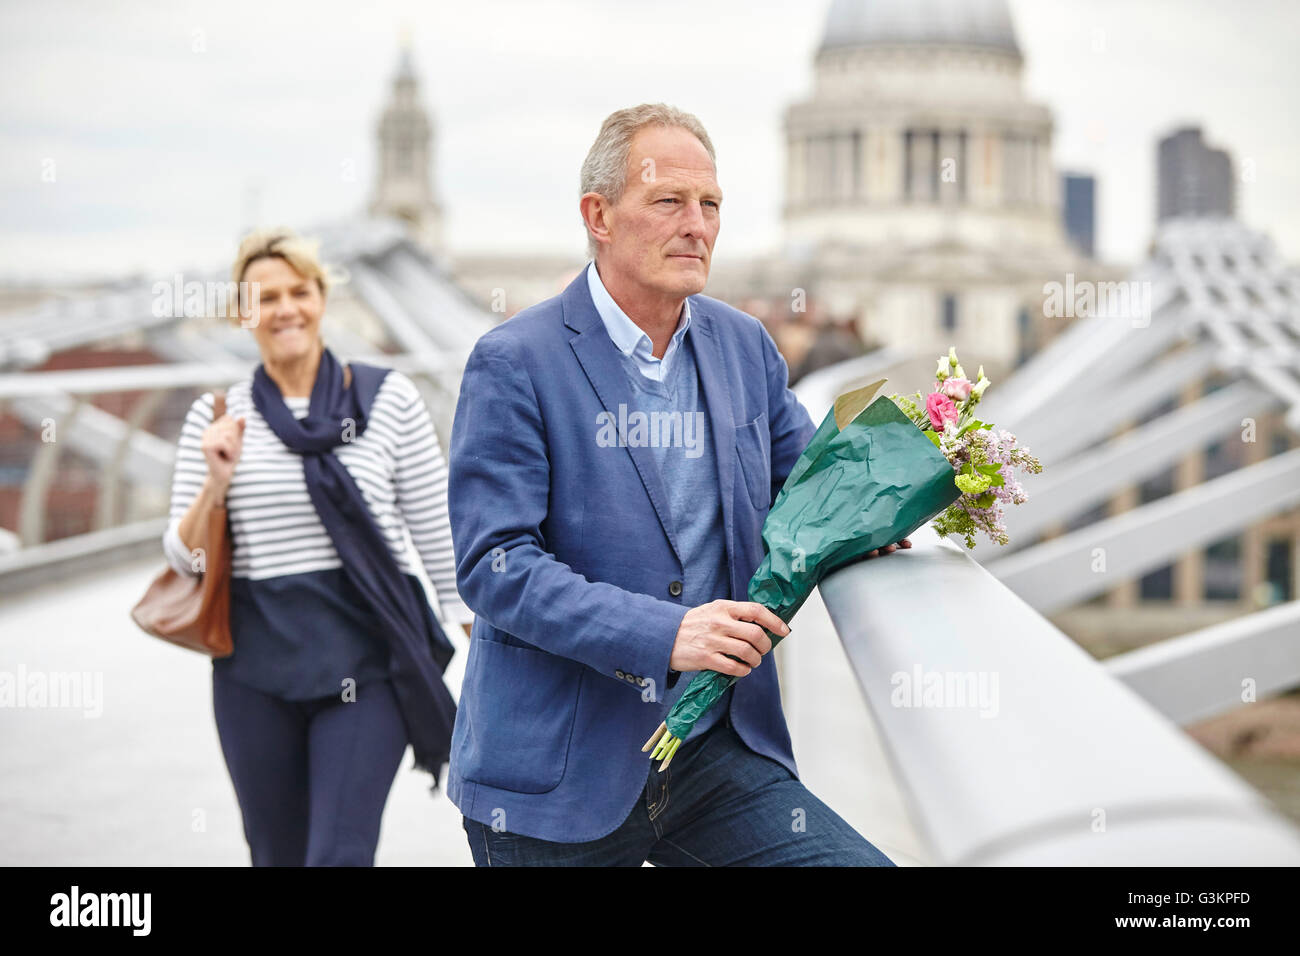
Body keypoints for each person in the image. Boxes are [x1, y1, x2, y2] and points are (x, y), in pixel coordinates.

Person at [446, 104, 909, 866]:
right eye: (669, 201)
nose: (697, 225)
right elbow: (497, 569)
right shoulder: (514, 361)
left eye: (712, 204)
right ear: (598, 215)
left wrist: (886, 507)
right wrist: (668, 636)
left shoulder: (743, 345)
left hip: (712, 756)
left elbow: (805, 481)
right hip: (554, 784)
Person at [163, 228, 472, 866]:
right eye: (265, 297)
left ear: (321, 298)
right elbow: (185, 558)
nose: (285, 309)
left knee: (338, 855)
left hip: (368, 660)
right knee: (274, 853)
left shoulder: (387, 399)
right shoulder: (218, 414)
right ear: (242, 314)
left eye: (299, 291)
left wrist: (481, 635)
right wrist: (215, 483)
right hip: (255, 667)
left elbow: (435, 533)